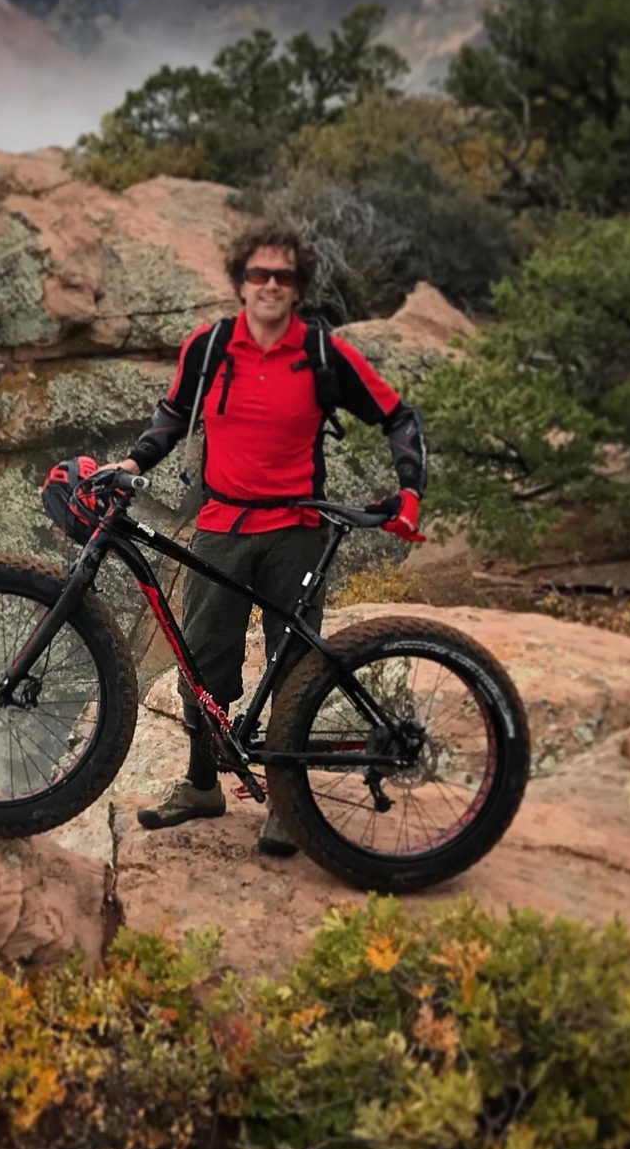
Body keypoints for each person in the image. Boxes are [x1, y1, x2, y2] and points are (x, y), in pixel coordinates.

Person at [110, 218, 426, 852]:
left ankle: (287, 803)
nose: (271, 285)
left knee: (296, 672)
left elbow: (398, 415)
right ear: (240, 282)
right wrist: (135, 462)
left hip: (297, 532)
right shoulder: (208, 347)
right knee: (202, 663)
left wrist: (411, 490)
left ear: (299, 284)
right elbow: (173, 414)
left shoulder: (323, 354)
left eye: (284, 275)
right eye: (260, 274)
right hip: (221, 525)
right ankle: (202, 786)